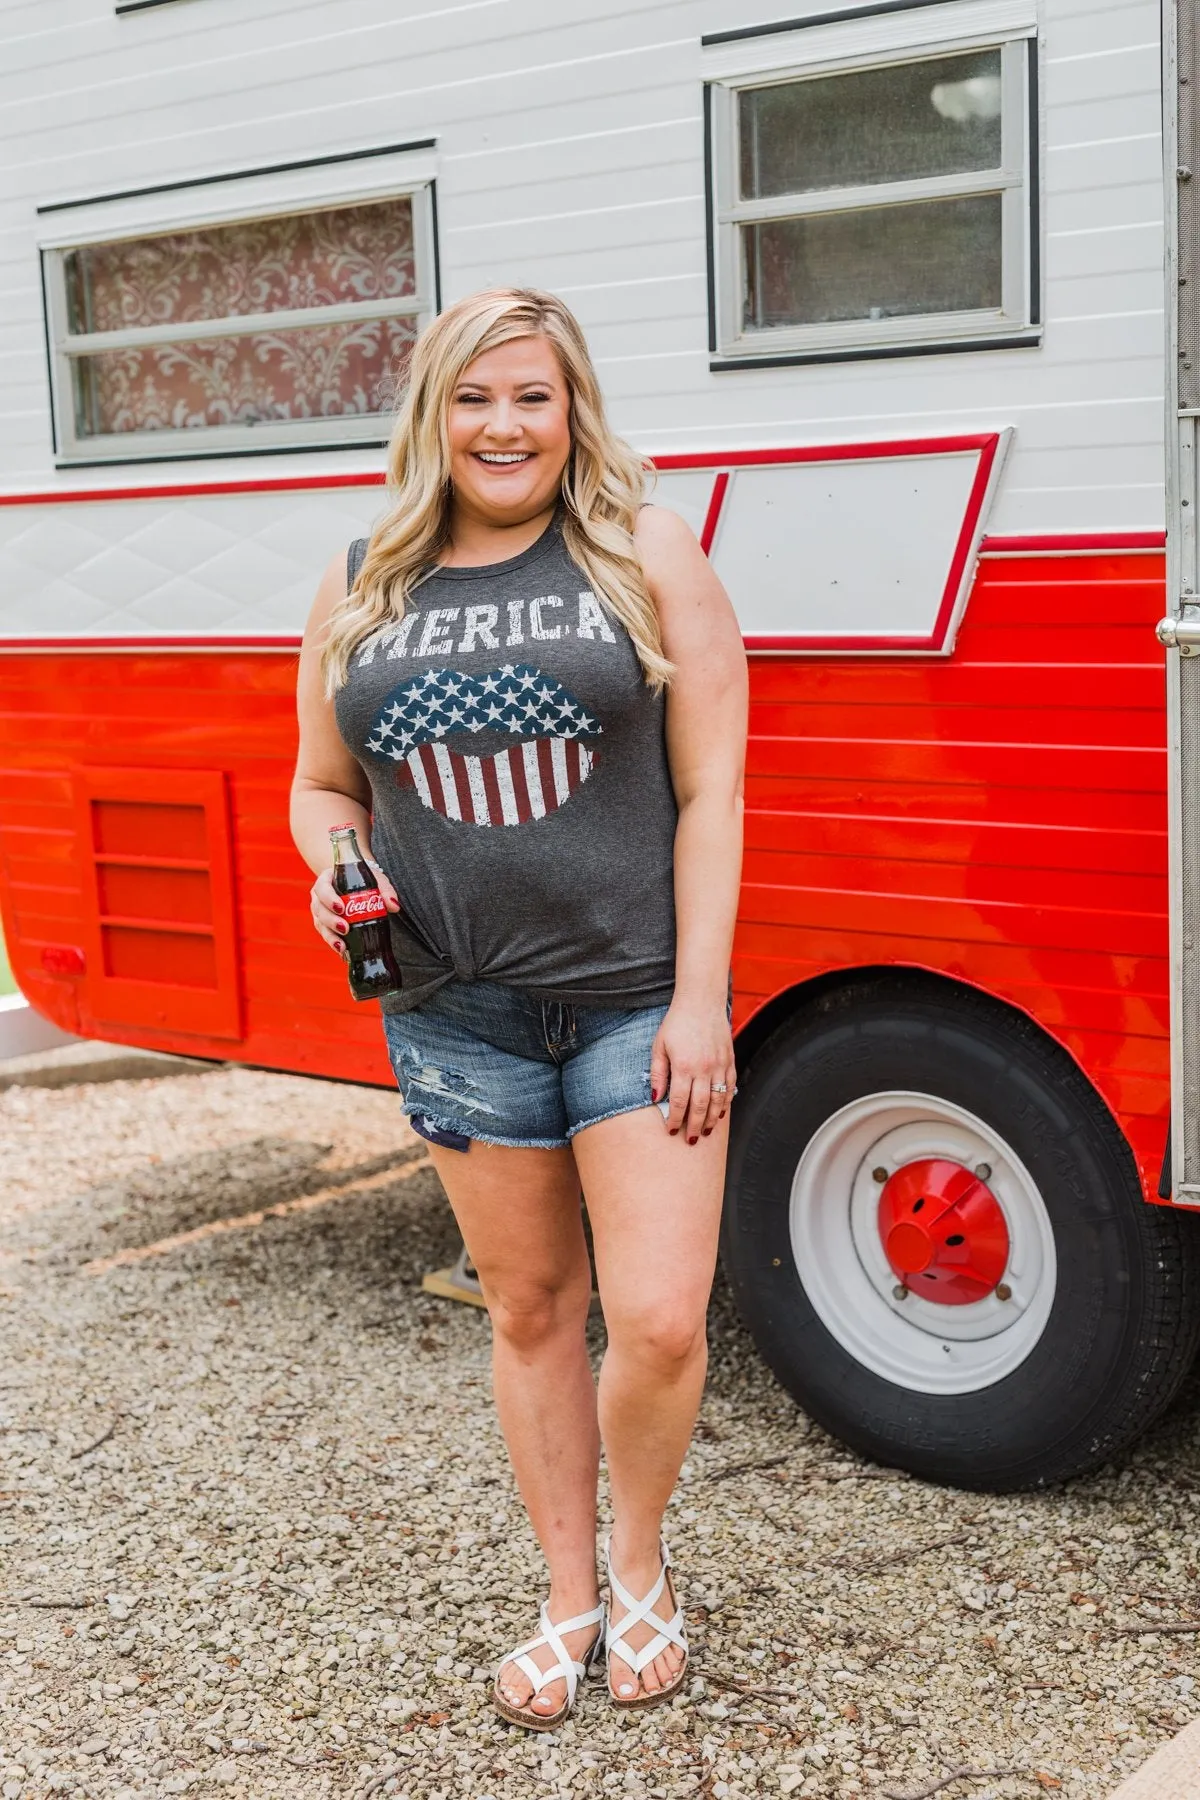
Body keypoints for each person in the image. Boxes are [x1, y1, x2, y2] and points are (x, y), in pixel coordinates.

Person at [290, 288, 747, 1729]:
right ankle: (567, 1594)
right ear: (432, 415)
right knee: (536, 1308)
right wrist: (340, 868)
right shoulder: (366, 575)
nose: (505, 425)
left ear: (572, 409)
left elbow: (712, 790)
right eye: (475, 398)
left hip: (631, 1004)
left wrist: (700, 1004)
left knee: (662, 1319)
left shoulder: (639, 550)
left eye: (532, 397)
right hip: (451, 1009)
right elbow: (320, 783)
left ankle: (641, 1561)